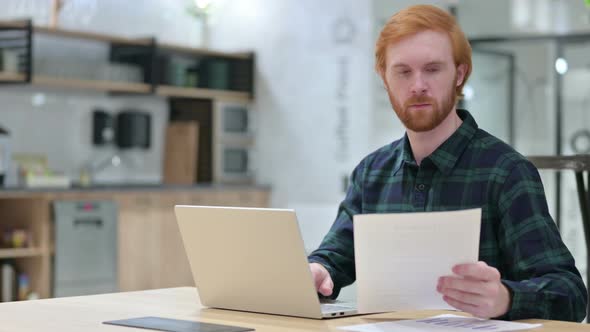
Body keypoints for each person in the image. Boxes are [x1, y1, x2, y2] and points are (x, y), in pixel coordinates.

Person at [307, 4, 587, 322]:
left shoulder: (506, 172)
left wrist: (506, 298)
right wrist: (317, 270)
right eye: (403, 71)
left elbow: (570, 295)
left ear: (460, 74)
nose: (417, 85)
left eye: (433, 69)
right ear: (384, 78)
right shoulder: (372, 173)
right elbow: (335, 257)